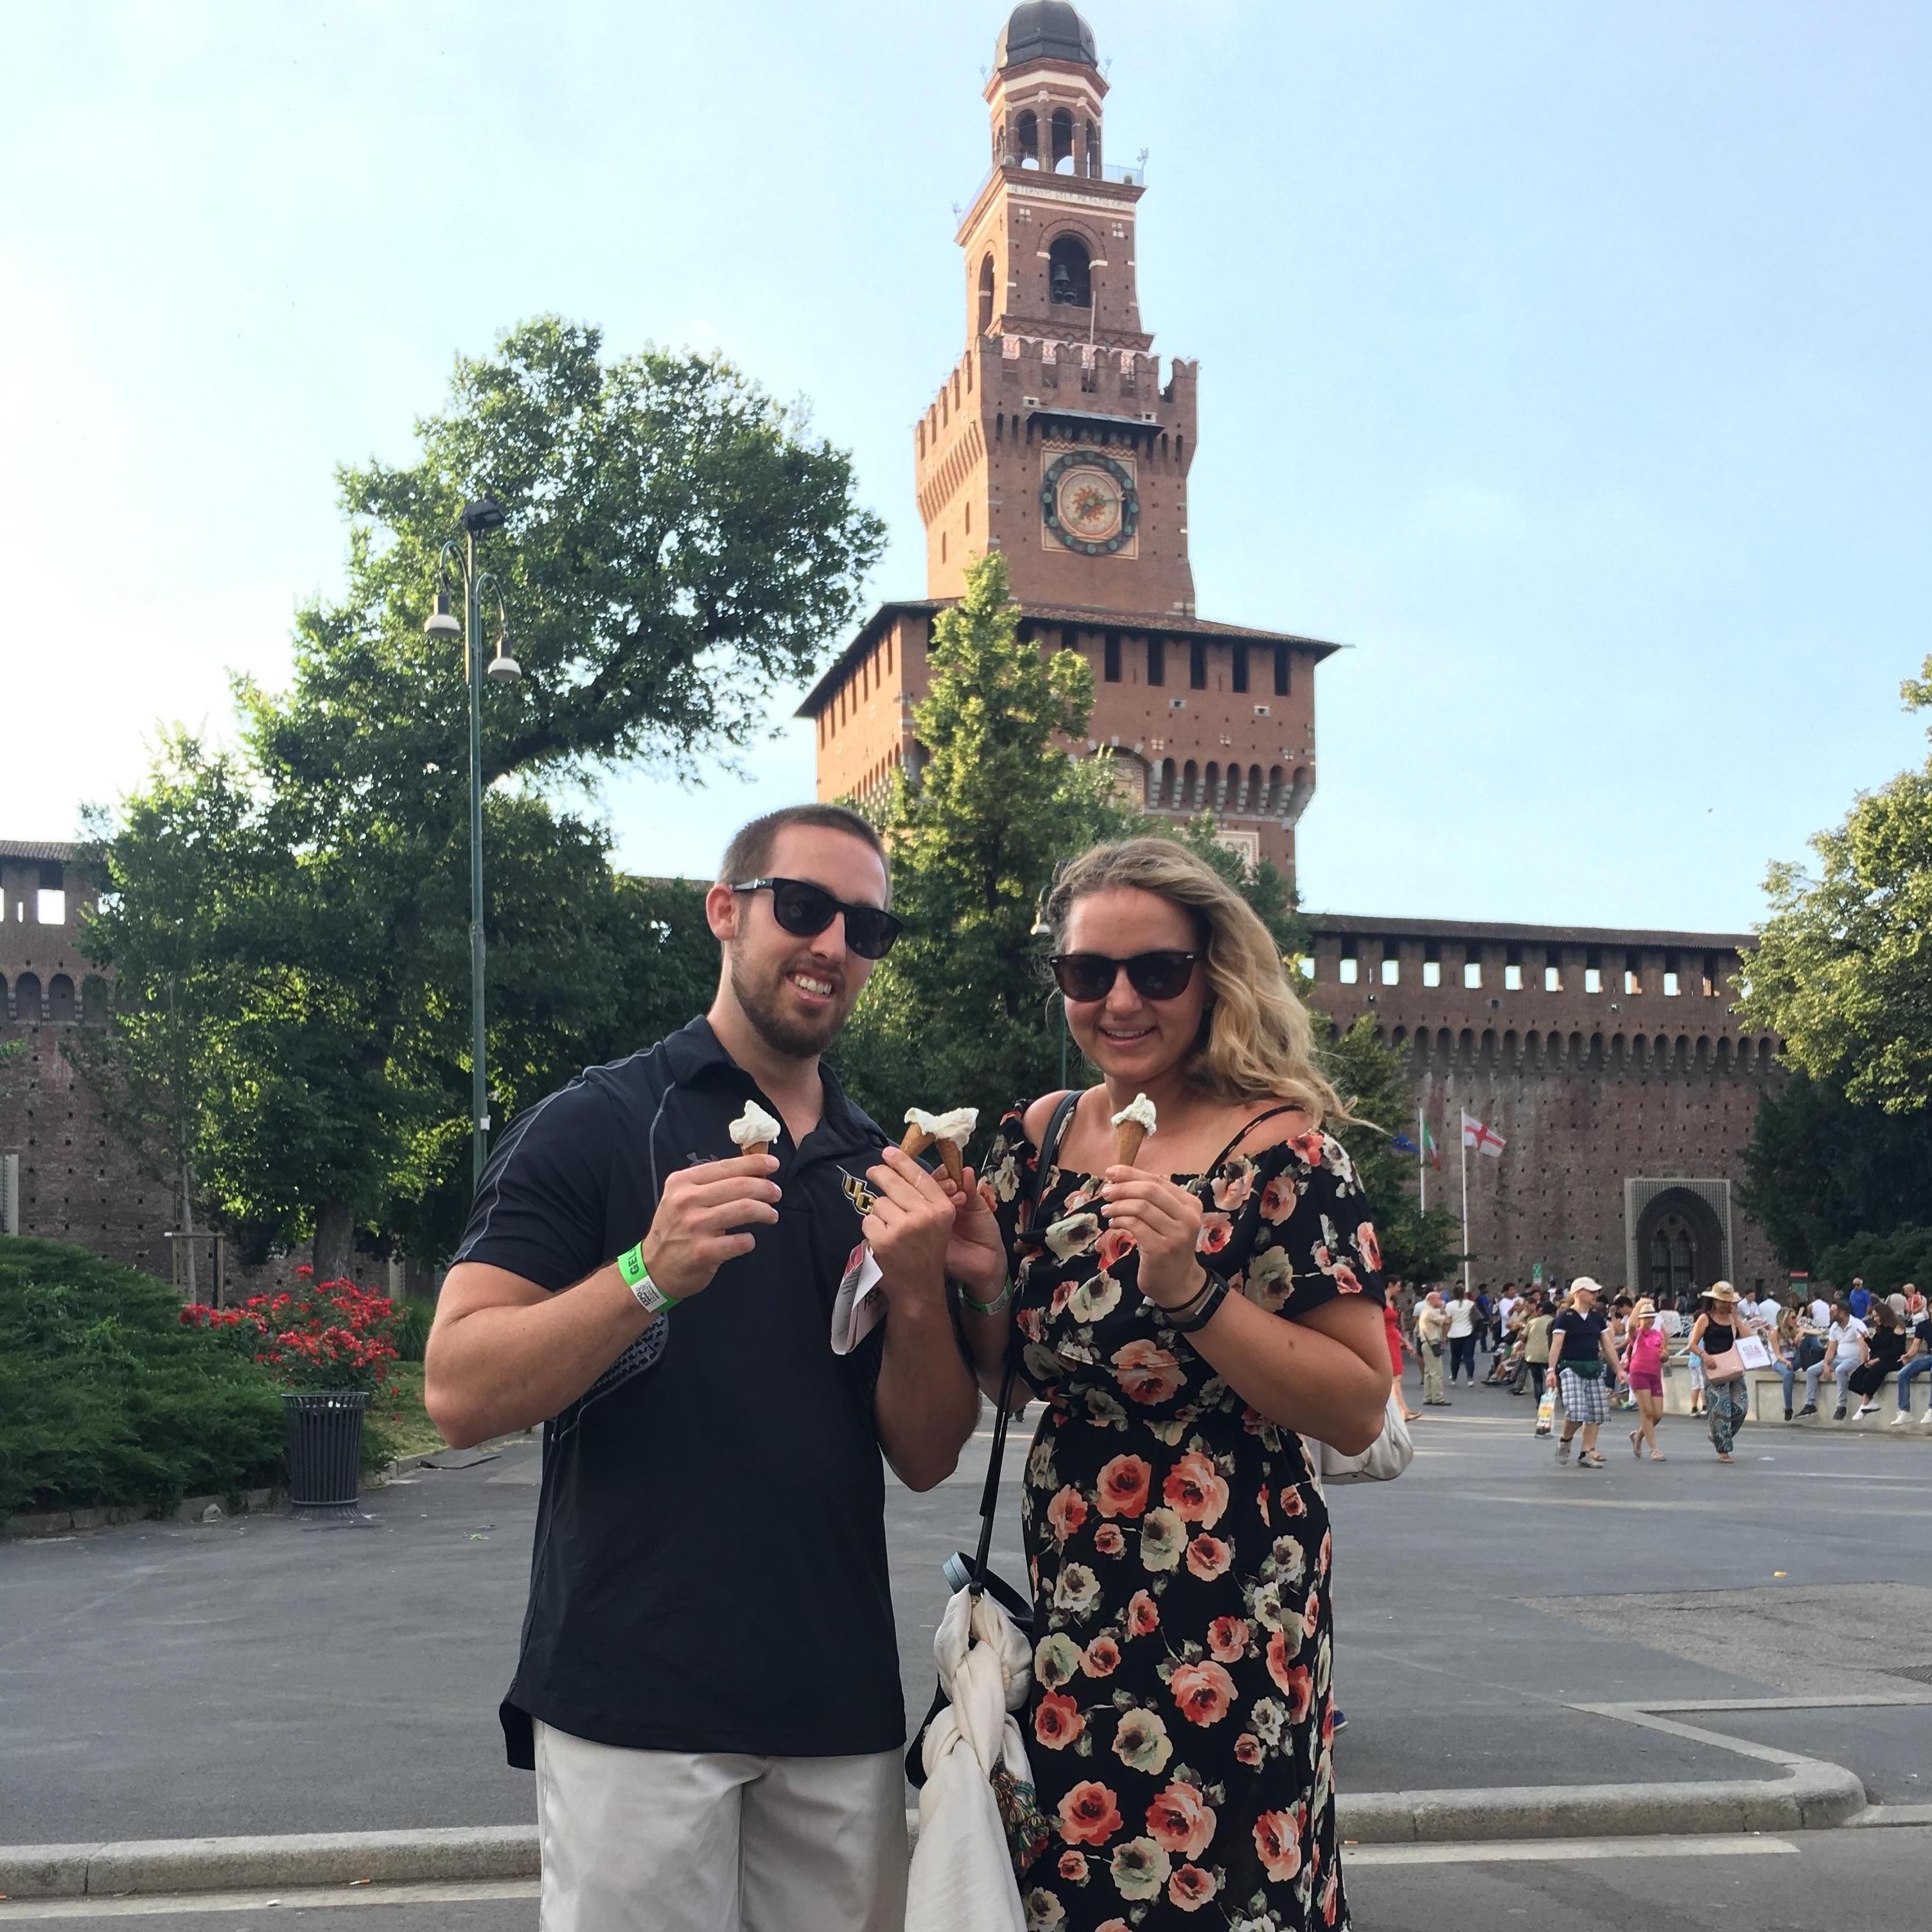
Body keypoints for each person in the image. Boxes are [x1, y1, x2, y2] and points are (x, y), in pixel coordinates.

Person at [423, 805, 982, 1932]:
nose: (833, 943)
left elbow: (925, 1455)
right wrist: (645, 1270)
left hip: (833, 1696)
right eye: (804, 906)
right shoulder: (600, 1121)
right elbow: (456, 1388)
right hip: (637, 1693)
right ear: (725, 912)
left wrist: (922, 1287)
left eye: (865, 925)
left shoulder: (877, 1164)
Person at [949, 836, 1391, 1932]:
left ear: (1213, 974)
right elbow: (1007, 1382)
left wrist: (1190, 1285)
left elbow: (1354, 1399)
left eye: (1156, 970)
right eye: (1085, 971)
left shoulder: (1282, 1151)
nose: (1119, 999)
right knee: (1073, 1893)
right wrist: (972, 1283)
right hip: (1071, 1595)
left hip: (1232, 1600)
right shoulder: (1041, 1138)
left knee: (1217, 1891)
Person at [1547, 1279, 1622, 1468]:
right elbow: (1556, 1344)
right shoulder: (1566, 1317)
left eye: (1596, 1292)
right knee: (1576, 1410)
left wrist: (1618, 1368)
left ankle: (1586, 1452)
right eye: (1591, 1292)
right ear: (1578, 1293)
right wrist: (1551, 1370)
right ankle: (1565, 1440)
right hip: (1571, 1367)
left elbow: (1607, 1345)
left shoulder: (1597, 1318)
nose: (1595, 1295)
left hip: (1593, 1367)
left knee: (1596, 1412)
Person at [1687, 1283, 1750, 1464]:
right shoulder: (1705, 1319)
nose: (1725, 1305)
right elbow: (1691, 1344)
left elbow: (1747, 1337)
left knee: (1741, 1408)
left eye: (1728, 1302)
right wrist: (1704, 1356)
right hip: (1714, 1368)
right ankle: (1723, 1450)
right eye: (1722, 1301)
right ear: (1714, 1301)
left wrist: (1737, 1318)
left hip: (1733, 1367)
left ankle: (1718, 1434)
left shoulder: (1732, 1319)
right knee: (1720, 1409)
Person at [1805, 1298, 1869, 1419]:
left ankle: (1842, 1406)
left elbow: (1864, 1347)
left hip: (1854, 1358)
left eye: (1833, 1311)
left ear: (1842, 1313)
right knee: (1811, 1371)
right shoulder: (1834, 1327)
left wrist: (1862, 1367)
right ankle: (1810, 1404)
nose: (1830, 1314)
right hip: (1840, 1358)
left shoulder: (1857, 1324)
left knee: (1841, 1370)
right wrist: (1825, 1365)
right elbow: (1831, 1349)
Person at [1621, 1300, 1667, 1461]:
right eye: (1646, 1317)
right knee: (1647, 1412)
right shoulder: (1637, 1334)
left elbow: (1665, 1353)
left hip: (1655, 1376)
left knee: (1658, 1414)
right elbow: (1631, 1325)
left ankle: (1638, 1435)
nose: (1650, 1321)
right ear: (1641, 1319)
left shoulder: (1659, 1335)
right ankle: (1654, 1449)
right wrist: (1640, 1304)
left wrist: (1665, 1356)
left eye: (1652, 1317)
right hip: (1639, 1374)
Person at [1849, 1303, 1908, 1418]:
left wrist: (1877, 1360)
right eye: (1874, 1317)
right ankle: (1869, 1402)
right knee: (1857, 1375)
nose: (1875, 1319)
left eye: (1877, 1316)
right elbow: (1877, 1347)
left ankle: (1865, 1404)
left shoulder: (1897, 1328)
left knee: (1873, 1373)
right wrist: (1867, 1339)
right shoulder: (1881, 1330)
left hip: (1893, 1360)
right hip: (1878, 1359)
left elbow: (1896, 1351)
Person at [1893, 1287, 1932, 1427]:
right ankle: (1904, 1411)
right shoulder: (1923, 1325)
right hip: (1929, 1357)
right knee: (1903, 1374)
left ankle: (1931, 1410)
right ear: (1929, 1309)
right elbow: (1916, 1346)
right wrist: (1907, 1355)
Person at [1385, 1292, 1422, 1422]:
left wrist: (1405, 1342)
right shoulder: (1379, 1300)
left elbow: (1393, 1327)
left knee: (1396, 1377)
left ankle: (1400, 1410)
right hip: (1386, 1339)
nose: (1399, 1289)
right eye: (1398, 1285)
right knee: (1395, 1377)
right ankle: (1403, 1411)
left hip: (1393, 1338)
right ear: (1391, 1285)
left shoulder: (1391, 1301)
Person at [1414, 1287, 1450, 1405]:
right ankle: (1437, 1398)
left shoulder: (1425, 1312)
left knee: (1428, 1373)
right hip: (1432, 1343)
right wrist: (1442, 1309)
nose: (1441, 1301)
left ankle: (1428, 1397)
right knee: (1437, 1373)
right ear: (1433, 1300)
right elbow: (1446, 1321)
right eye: (1439, 1299)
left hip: (1426, 1343)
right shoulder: (1430, 1312)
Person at [1522, 1293, 1555, 1401]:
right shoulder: (1554, 1322)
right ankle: (1555, 1398)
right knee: (1553, 1376)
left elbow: (1522, 1337)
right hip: (1548, 1354)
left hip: (1532, 1355)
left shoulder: (1532, 1322)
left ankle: (1539, 1401)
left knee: (1537, 1380)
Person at [1445, 1283, 1479, 1385]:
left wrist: (1445, 1335)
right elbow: (1476, 1318)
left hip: (1454, 1334)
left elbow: (1448, 1322)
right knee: (1469, 1356)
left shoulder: (1449, 1306)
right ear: (1464, 1293)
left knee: (1455, 1357)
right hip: (1468, 1332)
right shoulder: (1470, 1304)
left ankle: (1454, 1378)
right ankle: (1470, 1378)